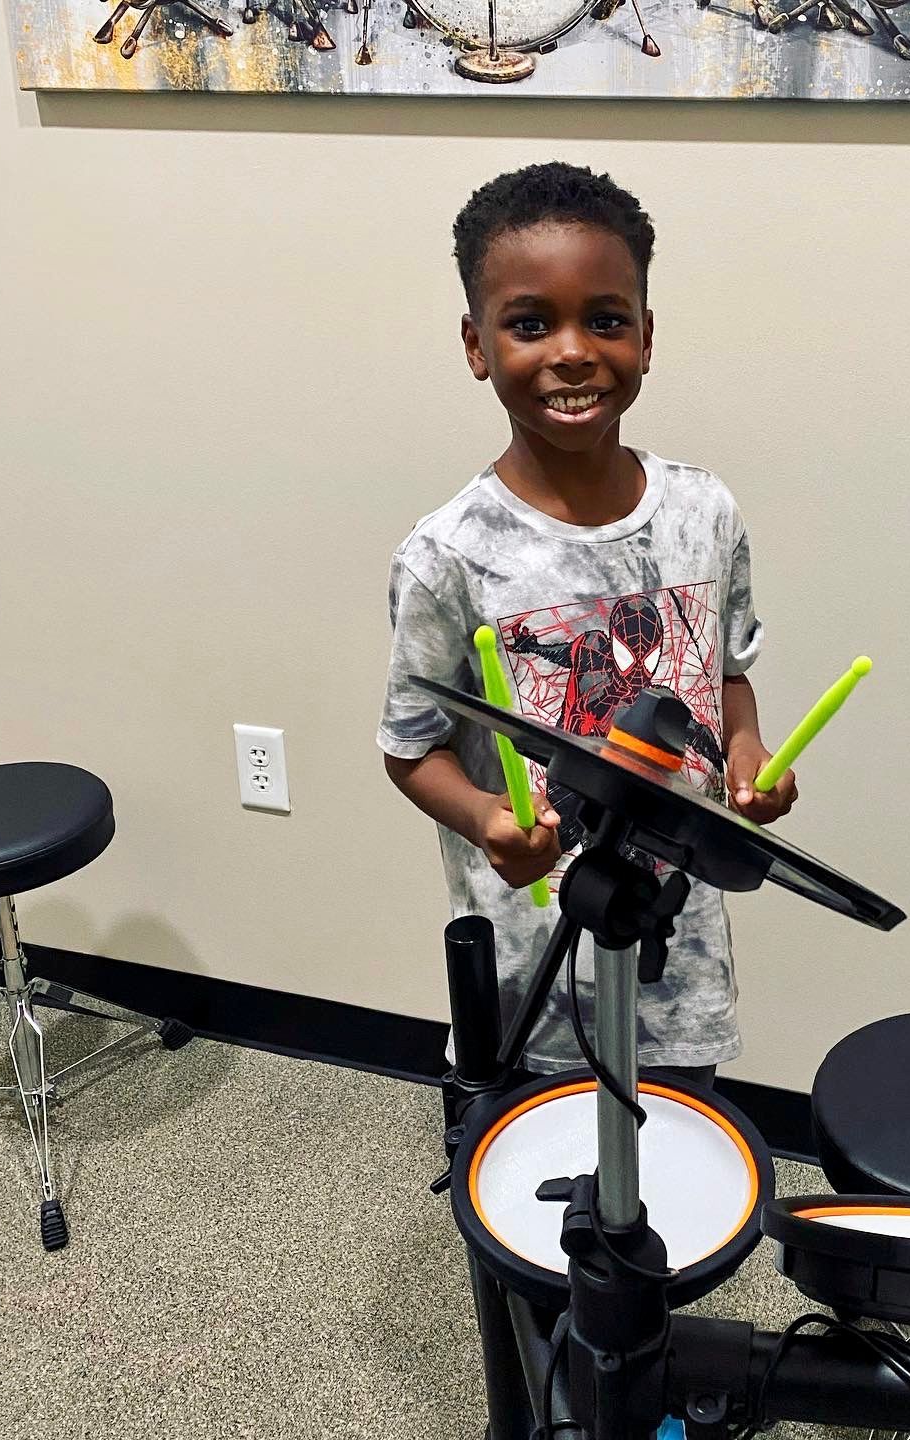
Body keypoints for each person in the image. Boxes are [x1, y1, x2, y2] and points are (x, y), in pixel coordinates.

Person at [377, 162, 797, 1085]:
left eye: (605, 320)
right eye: (530, 324)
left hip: (676, 954)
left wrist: (749, 754)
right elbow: (411, 747)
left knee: (680, 1169)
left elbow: (725, 676)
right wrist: (487, 814)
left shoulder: (704, 512)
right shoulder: (448, 553)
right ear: (476, 344)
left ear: (647, 338)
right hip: (536, 967)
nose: (572, 351)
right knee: (536, 1194)